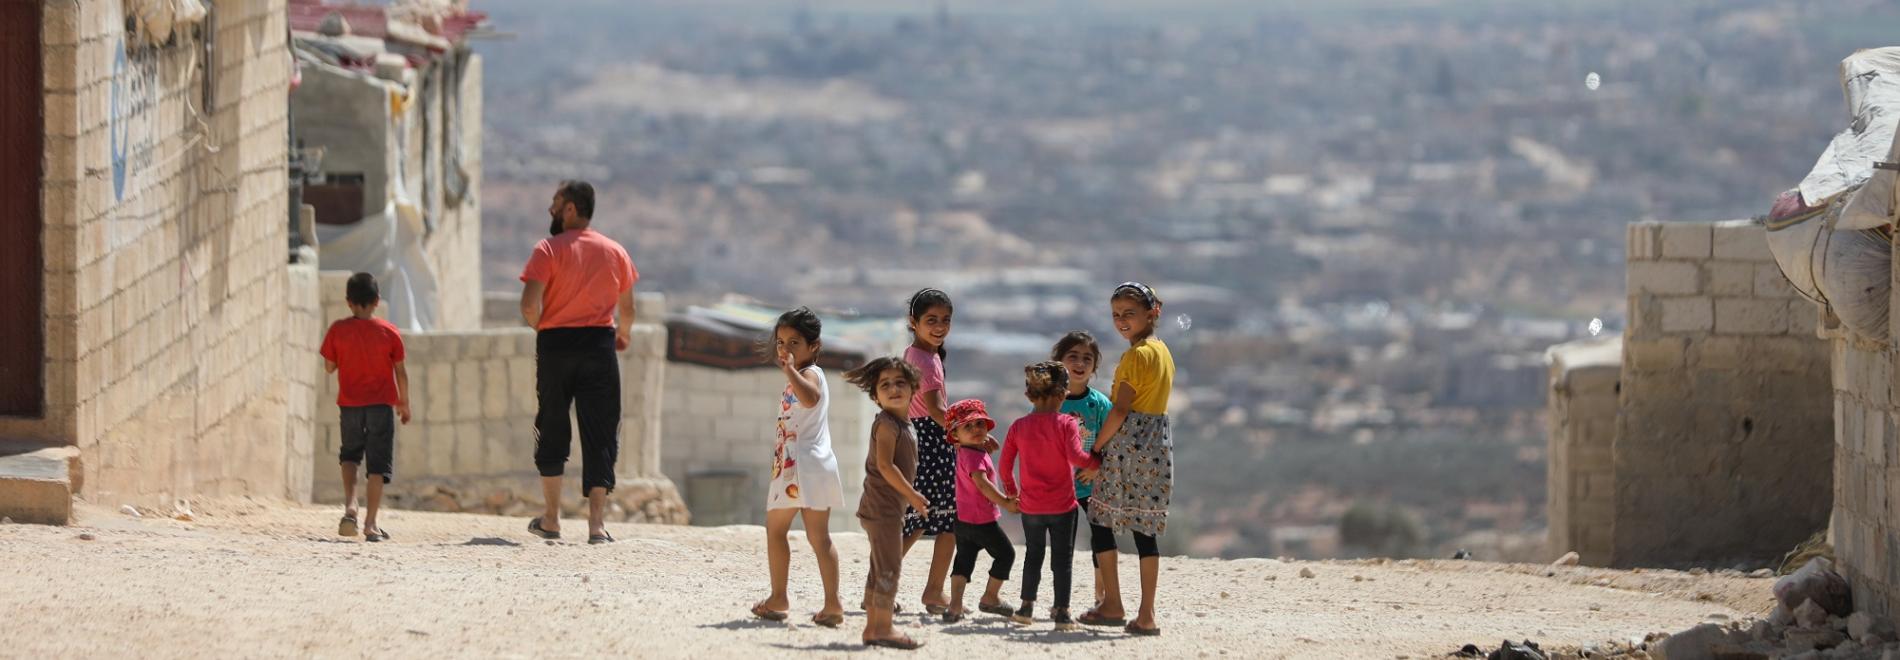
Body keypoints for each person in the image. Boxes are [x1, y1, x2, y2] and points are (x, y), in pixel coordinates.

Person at [519, 180, 638, 545]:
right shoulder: (615, 251)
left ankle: (552, 519)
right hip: (599, 345)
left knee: (552, 424)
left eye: (555, 203)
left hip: (556, 345)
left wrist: (545, 329)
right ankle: (596, 525)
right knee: (600, 432)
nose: (551, 210)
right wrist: (623, 335)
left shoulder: (547, 250)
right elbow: (628, 309)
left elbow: (528, 305)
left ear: (570, 208)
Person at [1079, 282, 1176, 636]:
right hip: (1157, 444)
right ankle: (1146, 613)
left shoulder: (1136, 356)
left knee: (1101, 518)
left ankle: (1112, 603)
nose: (1121, 322)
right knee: (1144, 530)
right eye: (1116, 315)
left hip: (1128, 444)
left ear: (1151, 313)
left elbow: (1120, 410)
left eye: (1128, 314)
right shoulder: (1162, 350)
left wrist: (1096, 448)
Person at [751, 308, 846, 627]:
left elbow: (810, 398)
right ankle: (832, 605)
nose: (785, 349)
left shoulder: (810, 374)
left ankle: (779, 598)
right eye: (780, 342)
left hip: (797, 466)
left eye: (794, 342)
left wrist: (791, 371)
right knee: (820, 538)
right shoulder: (803, 373)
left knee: (776, 530)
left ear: (814, 346)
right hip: (814, 465)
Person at [899, 288, 987, 614]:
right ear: (914, 321)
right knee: (944, 520)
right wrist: (962, 434)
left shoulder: (916, 353)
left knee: (925, 518)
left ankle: (888, 586)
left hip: (920, 439)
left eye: (945, 321)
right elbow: (936, 408)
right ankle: (929, 591)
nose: (939, 327)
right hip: (934, 441)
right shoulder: (927, 359)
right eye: (931, 320)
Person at [999, 361, 1100, 631]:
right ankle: (1062, 614)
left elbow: (1005, 466)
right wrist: (1097, 463)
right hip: (1062, 506)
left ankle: (1025, 608)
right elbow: (1076, 457)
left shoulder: (1019, 426)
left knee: (1033, 555)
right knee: (1061, 560)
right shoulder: (1066, 423)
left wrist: (1011, 492)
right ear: (1061, 395)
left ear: (1030, 395)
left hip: (1031, 506)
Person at [845, 357, 929, 651]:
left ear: (913, 388)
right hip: (882, 509)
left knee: (880, 566)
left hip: (887, 509)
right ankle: (883, 627)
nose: (893, 389)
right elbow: (885, 466)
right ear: (875, 397)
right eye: (885, 385)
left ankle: (873, 626)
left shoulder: (904, 424)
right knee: (889, 567)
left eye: (900, 383)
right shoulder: (887, 425)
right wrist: (913, 495)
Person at [319, 272, 410, 543]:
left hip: (350, 405)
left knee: (350, 455)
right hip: (381, 407)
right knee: (377, 466)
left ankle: (350, 505)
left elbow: (329, 366)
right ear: (377, 301)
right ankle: (371, 524)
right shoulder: (389, 333)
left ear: (349, 302)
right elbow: (401, 372)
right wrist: (404, 403)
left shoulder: (337, 330)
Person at [941, 399, 1018, 624]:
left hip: (962, 520)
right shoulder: (975, 457)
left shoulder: (965, 451)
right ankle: (990, 597)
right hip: (981, 520)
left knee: (964, 560)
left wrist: (982, 444)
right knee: (1006, 554)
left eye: (980, 425)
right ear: (955, 435)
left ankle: (954, 607)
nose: (976, 430)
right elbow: (982, 485)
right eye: (968, 426)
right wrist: (1005, 502)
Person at [1053, 331, 1113, 609]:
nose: (1079, 363)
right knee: (1061, 545)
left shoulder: (1100, 404)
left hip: (1093, 484)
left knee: (1101, 537)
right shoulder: (1051, 403)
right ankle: (1060, 601)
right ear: (1059, 361)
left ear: (1095, 367)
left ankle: (1102, 596)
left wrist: (1096, 468)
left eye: (1087, 358)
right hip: (1059, 486)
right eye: (1072, 356)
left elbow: (1112, 442)